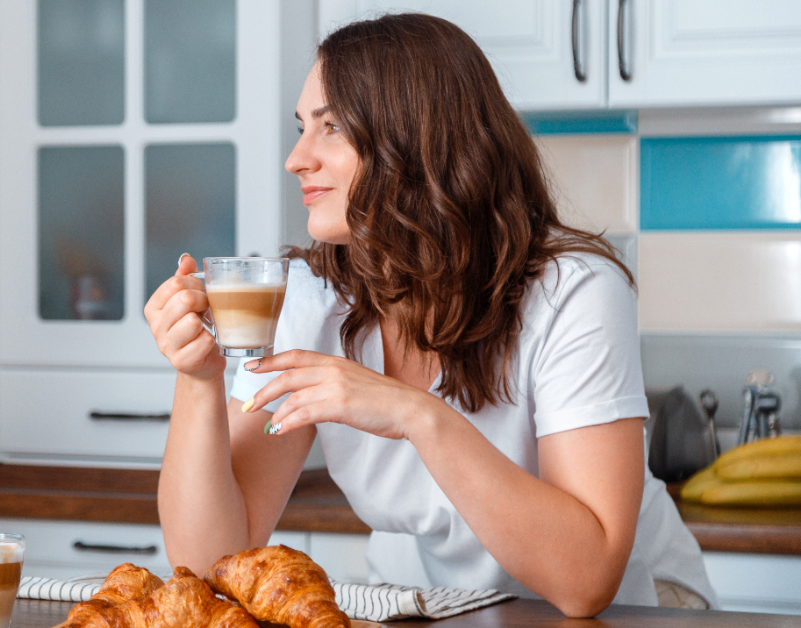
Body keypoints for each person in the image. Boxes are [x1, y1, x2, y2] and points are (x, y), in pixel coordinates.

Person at [143, 13, 715, 618]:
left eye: (331, 126)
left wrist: (414, 414)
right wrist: (198, 380)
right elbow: (210, 562)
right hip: (435, 606)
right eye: (301, 127)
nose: (296, 158)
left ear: (418, 140)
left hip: (633, 610)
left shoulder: (572, 291)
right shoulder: (312, 299)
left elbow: (586, 581)